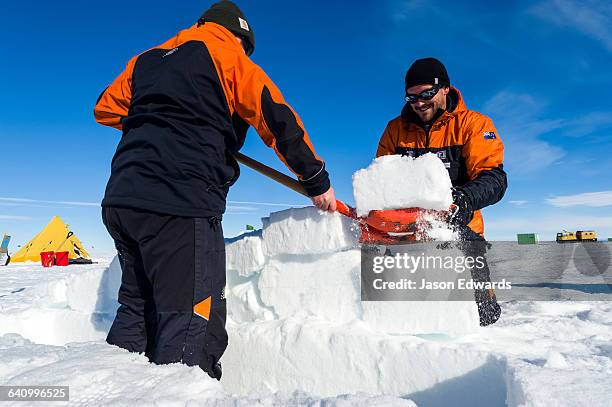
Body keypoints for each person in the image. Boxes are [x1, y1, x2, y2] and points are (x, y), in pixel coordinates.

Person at [94, 1, 336, 379]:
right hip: (180, 201)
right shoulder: (229, 57)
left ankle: (111, 392)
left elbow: (105, 109)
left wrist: (159, 116)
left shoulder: (145, 60)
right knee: (190, 319)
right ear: (239, 36)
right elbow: (277, 118)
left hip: (122, 199)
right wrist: (316, 180)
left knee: (137, 307)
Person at [376, 57, 507, 326]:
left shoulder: (474, 125)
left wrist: (463, 199)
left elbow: (494, 178)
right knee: (409, 318)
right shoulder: (394, 129)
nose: (419, 103)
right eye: (411, 97)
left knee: (480, 317)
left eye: (426, 94)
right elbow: (380, 178)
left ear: (445, 89)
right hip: (408, 237)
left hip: (462, 233)